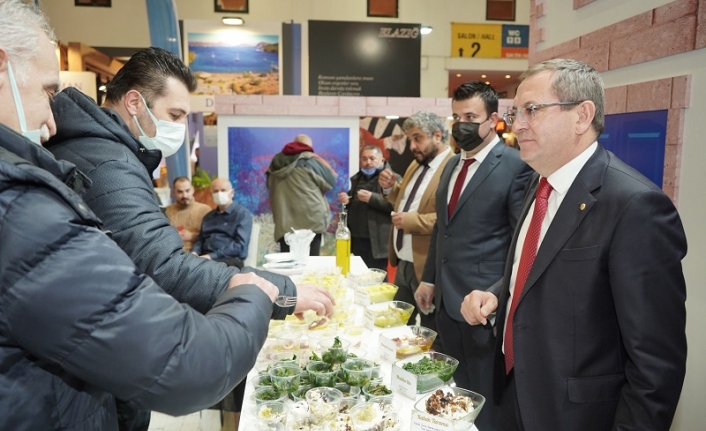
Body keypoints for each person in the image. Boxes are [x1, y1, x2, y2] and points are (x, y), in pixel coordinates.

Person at [0, 1, 332, 430]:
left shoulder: (96, 154)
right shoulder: (105, 166)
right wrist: (264, 291)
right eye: (47, 91)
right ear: (135, 102)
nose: (49, 121)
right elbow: (164, 281)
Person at [462, 59, 687, 431]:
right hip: (512, 396)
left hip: (575, 417)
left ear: (582, 116)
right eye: (516, 112)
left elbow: (655, 365)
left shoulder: (635, 206)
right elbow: (542, 269)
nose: (516, 125)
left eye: (532, 111)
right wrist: (497, 294)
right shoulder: (540, 182)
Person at [414, 82, 532, 430]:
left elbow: (520, 242)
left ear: (493, 119)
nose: (460, 124)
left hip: (483, 309)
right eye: (456, 115)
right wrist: (429, 278)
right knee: (455, 392)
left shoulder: (515, 166)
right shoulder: (451, 165)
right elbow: (442, 229)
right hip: (447, 306)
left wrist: (496, 295)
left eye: (470, 116)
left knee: (486, 399)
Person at [378, 111, 453, 344]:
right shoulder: (416, 164)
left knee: (429, 332)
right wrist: (392, 189)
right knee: (401, 328)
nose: (412, 145)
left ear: (437, 136)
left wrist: (412, 222)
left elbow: (451, 217)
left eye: (417, 138)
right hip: (402, 261)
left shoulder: (453, 167)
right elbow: (405, 200)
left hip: (426, 265)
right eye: (410, 139)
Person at [266, 133, 337, 255]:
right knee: (311, 263)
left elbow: (269, 186)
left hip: (285, 222)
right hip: (312, 220)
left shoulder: (275, 163)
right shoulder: (310, 160)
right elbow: (331, 181)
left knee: (287, 262)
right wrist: (318, 158)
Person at [337, 145, 397, 273]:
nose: (368, 162)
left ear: (382, 160)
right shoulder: (357, 178)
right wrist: (347, 200)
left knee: (377, 276)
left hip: (378, 239)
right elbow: (354, 199)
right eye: (364, 159)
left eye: (372, 158)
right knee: (359, 273)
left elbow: (395, 204)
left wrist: (372, 198)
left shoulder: (392, 179)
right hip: (357, 237)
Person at [192, 177, 253, 269]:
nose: (219, 194)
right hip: (205, 257)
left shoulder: (242, 214)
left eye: (223, 190)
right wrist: (194, 252)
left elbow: (239, 246)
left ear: (232, 193)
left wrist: (211, 256)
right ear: (211, 194)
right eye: (215, 191)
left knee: (203, 269)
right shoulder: (208, 217)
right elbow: (200, 240)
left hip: (229, 259)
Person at [165, 176, 211, 252]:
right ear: (173, 192)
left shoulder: (205, 210)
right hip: (172, 254)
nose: (185, 195)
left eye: (187, 191)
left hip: (198, 255)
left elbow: (212, 238)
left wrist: (192, 236)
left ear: (193, 190)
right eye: (180, 192)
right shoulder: (166, 211)